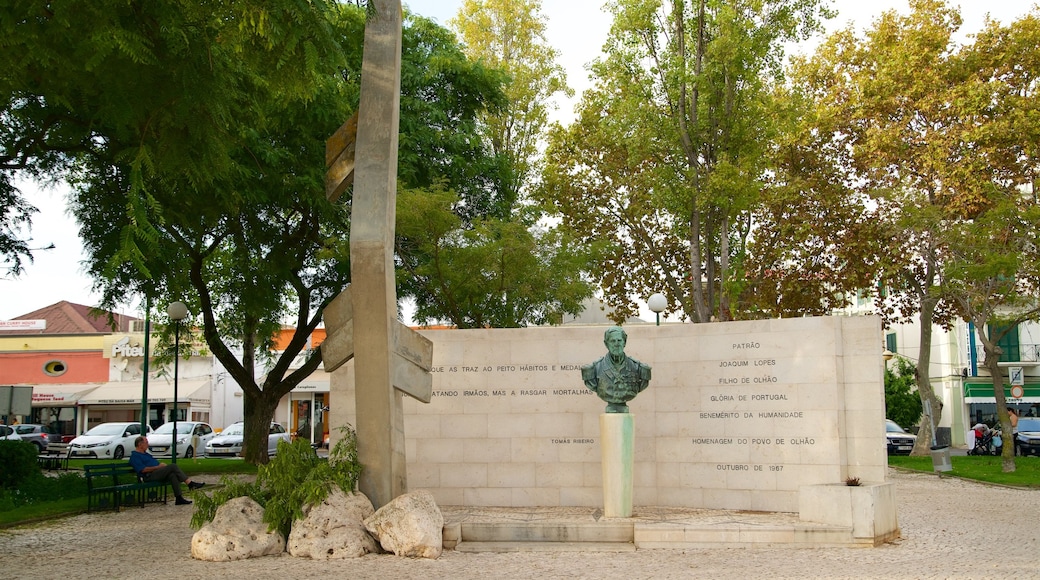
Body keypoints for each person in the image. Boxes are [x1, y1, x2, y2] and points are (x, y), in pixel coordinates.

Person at [581, 326, 652, 413]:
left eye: (619, 340)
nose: (616, 344)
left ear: (624, 342)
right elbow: (592, 385)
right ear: (606, 344)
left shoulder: (637, 367)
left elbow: (643, 385)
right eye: (612, 341)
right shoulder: (595, 368)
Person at [128, 436, 204, 505]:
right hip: (149, 476)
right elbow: (143, 470)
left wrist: (160, 467)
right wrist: (158, 467)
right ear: (140, 444)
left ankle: (179, 498)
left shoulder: (146, 454)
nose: (148, 444)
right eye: (146, 442)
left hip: (156, 473)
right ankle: (190, 484)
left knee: (172, 475)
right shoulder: (135, 456)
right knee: (173, 466)